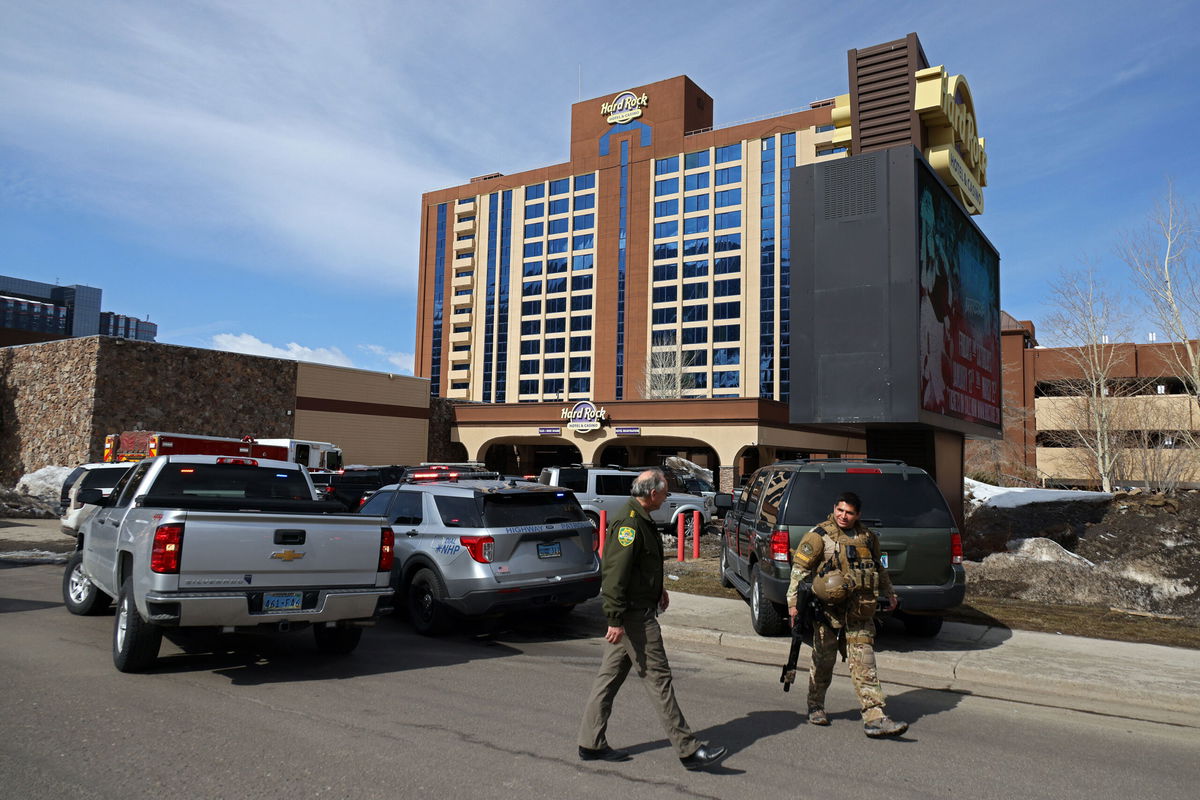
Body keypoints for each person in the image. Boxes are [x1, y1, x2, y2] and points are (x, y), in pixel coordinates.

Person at [577, 468, 728, 770]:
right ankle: (688, 750)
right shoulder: (629, 522)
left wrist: (658, 590)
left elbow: (640, 567)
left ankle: (590, 743)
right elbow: (615, 573)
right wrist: (615, 618)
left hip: (638, 608)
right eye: (665, 490)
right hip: (634, 617)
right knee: (660, 680)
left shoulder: (641, 518)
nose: (667, 495)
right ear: (651, 493)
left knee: (608, 679)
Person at [786, 491, 909, 738]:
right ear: (834, 509)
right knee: (824, 661)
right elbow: (799, 571)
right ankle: (816, 705)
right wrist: (793, 604)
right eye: (840, 510)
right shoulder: (819, 536)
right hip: (826, 612)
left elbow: (878, 568)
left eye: (849, 512)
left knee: (865, 662)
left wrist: (890, 592)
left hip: (859, 611)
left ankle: (875, 716)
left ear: (858, 515)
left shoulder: (867, 538)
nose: (844, 516)